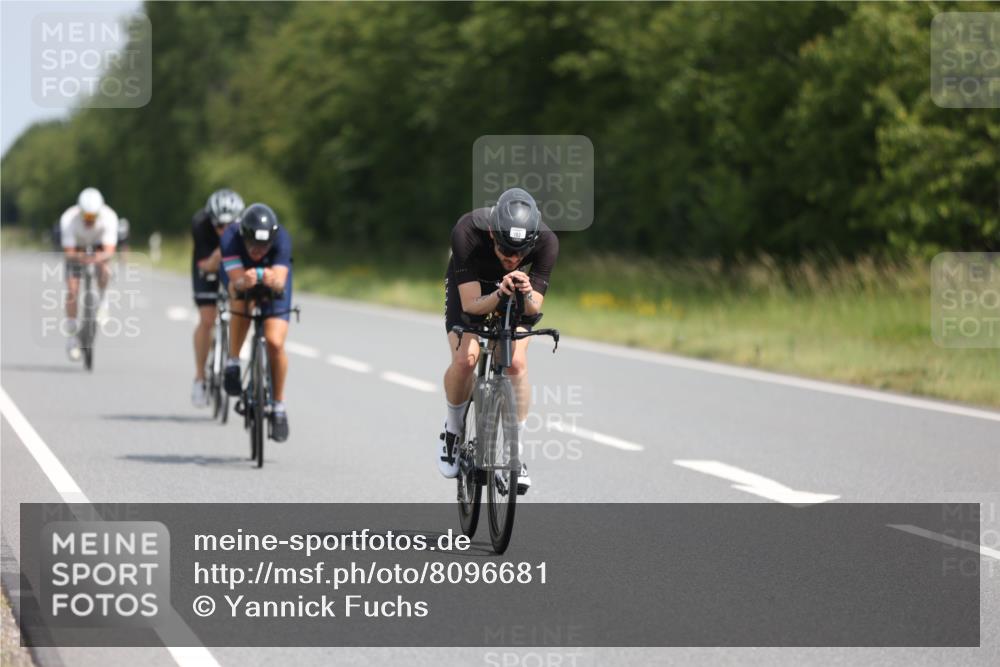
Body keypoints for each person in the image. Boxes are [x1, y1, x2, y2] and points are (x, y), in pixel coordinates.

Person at [438, 187, 559, 494]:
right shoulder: (467, 230)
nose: (513, 259)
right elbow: (470, 305)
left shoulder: (547, 242)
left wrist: (525, 289)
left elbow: (534, 307)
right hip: (474, 289)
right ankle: (452, 432)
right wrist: (498, 292)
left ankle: (513, 454)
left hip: (517, 293)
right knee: (466, 359)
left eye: (520, 254)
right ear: (492, 233)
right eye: (506, 251)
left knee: (516, 363)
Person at [220, 203, 293, 442]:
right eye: (252, 245)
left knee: (274, 342)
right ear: (244, 235)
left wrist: (273, 280)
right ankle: (233, 361)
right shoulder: (230, 236)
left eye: (264, 246)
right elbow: (235, 282)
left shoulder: (282, 237)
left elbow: (281, 282)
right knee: (238, 300)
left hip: (273, 286)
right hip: (241, 279)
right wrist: (245, 281)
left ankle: (279, 407)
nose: (258, 251)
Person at [190, 189, 245, 407]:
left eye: (229, 226)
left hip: (235, 267)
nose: (224, 230)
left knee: (240, 307)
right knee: (207, 318)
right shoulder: (201, 224)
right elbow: (204, 265)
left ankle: (231, 356)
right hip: (208, 265)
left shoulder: (245, 226)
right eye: (219, 226)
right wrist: (218, 254)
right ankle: (200, 378)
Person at [59, 187, 118, 360]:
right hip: (76, 249)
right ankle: (72, 337)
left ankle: (104, 300)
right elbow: (68, 252)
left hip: (99, 247)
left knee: (105, 268)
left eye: (93, 217)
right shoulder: (68, 219)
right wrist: (81, 257)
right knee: (72, 290)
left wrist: (97, 259)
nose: (89, 220)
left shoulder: (109, 217)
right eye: (86, 216)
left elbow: (109, 251)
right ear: (80, 212)